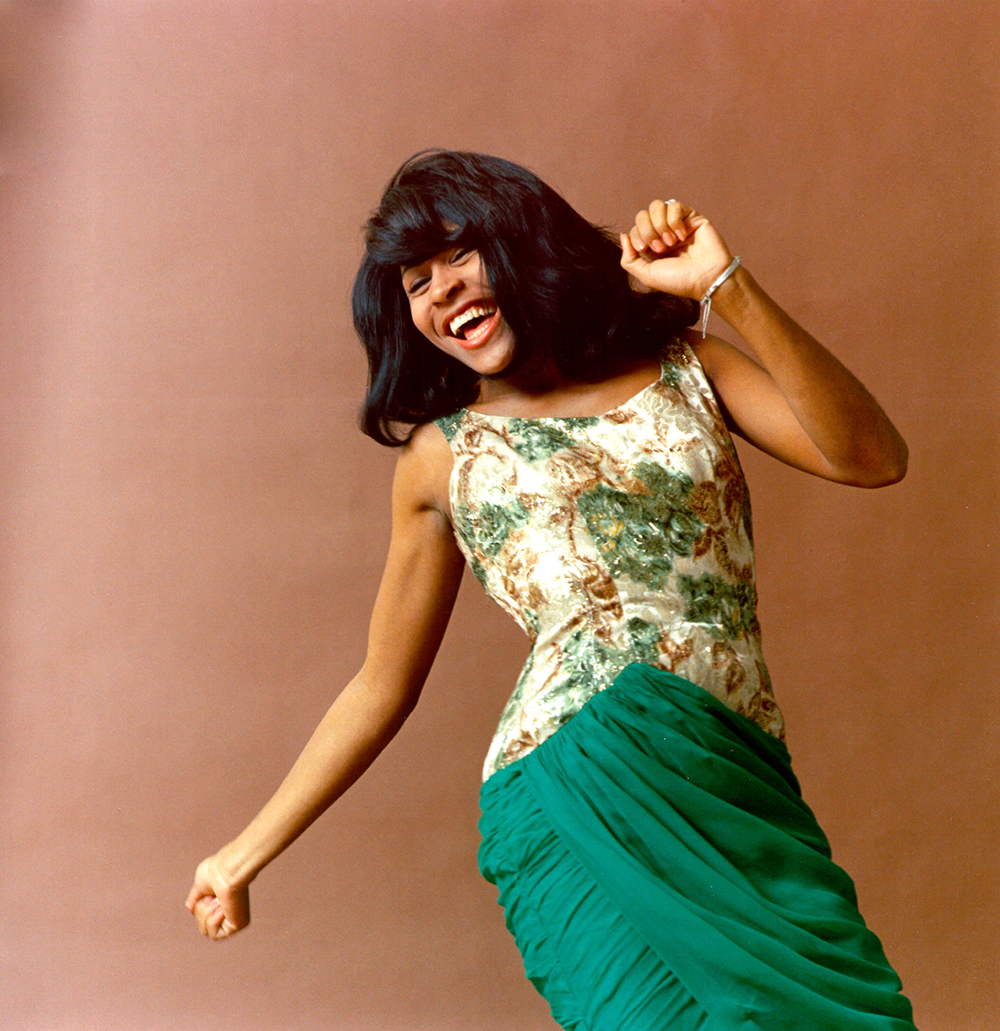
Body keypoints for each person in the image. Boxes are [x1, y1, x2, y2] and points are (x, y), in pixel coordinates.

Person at [186, 150, 916, 1029]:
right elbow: (381, 684)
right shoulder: (441, 458)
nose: (444, 291)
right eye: (416, 283)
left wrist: (726, 287)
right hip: (576, 786)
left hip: (733, 777)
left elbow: (873, 458)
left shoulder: (688, 366)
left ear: (522, 239)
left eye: (459, 254)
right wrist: (241, 855)